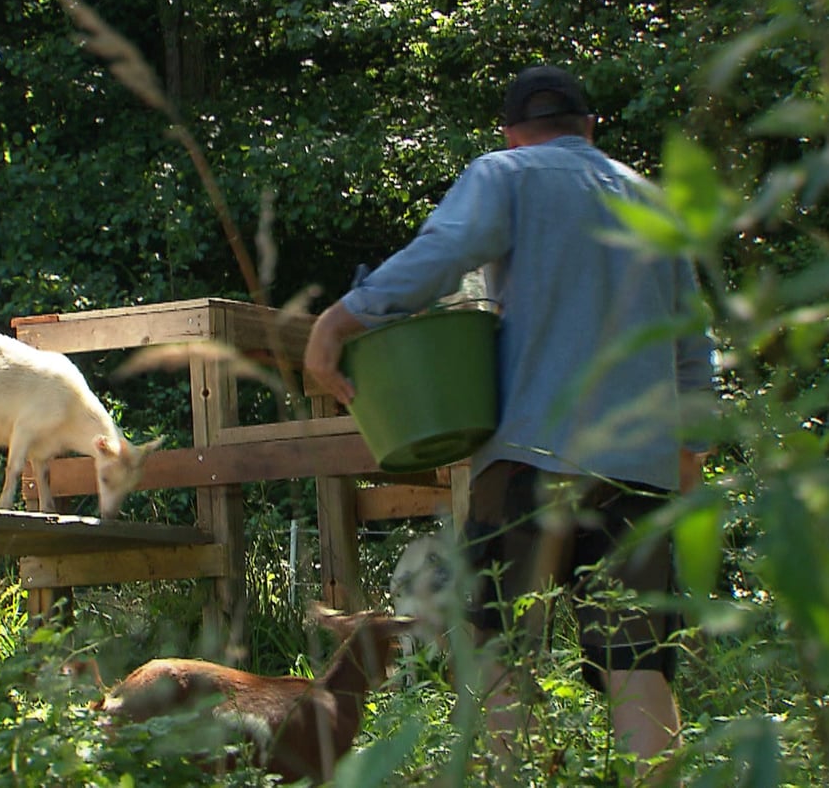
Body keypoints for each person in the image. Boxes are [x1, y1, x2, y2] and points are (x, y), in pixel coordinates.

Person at [303, 65, 714, 782]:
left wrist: (340, 319)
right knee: (637, 667)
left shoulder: (506, 173)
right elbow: (692, 343)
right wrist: (691, 449)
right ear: (592, 127)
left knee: (499, 651)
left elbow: (441, 257)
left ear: (512, 132)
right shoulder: (656, 202)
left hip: (529, 458)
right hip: (639, 470)